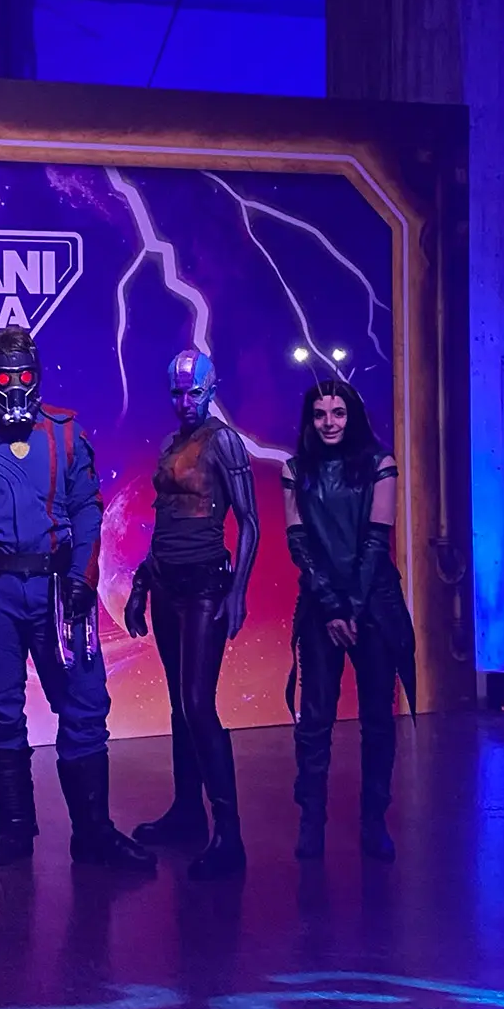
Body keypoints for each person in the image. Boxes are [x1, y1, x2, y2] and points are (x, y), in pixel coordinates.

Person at [0, 327, 155, 873]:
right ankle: (14, 828)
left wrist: (82, 576)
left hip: (58, 591)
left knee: (84, 705)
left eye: (25, 375)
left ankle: (93, 832)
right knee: (0, 711)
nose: (15, 386)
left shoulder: (64, 432)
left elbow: (87, 508)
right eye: (5, 377)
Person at [121, 348, 260, 879]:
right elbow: (163, 525)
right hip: (165, 584)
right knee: (181, 705)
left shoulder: (223, 441)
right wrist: (139, 586)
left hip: (205, 585)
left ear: (210, 390)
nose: (185, 401)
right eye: (177, 392)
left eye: (194, 392)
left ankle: (230, 834)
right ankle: (186, 812)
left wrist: (238, 592)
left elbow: (249, 521)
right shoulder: (170, 444)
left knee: (199, 704)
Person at [280, 378, 416, 862]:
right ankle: (311, 823)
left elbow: (377, 543)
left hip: (374, 609)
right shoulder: (296, 470)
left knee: (378, 719)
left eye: (338, 413)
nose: (329, 423)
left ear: (352, 415)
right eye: (320, 414)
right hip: (322, 609)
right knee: (314, 720)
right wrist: (332, 607)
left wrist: (352, 608)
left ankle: (374, 821)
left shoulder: (380, 464)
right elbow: (299, 544)